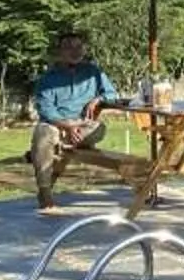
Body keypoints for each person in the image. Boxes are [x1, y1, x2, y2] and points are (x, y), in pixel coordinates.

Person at [28, 31, 121, 209]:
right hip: (56, 124)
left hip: (83, 125)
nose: (75, 51)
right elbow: (46, 109)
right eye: (69, 47)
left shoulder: (93, 72)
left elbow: (112, 94)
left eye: (79, 47)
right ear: (59, 51)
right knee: (42, 135)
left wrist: (98, 99)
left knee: (99, 128)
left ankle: (65, 143)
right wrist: (68, 126)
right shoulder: (49, 78)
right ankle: (45, 191)